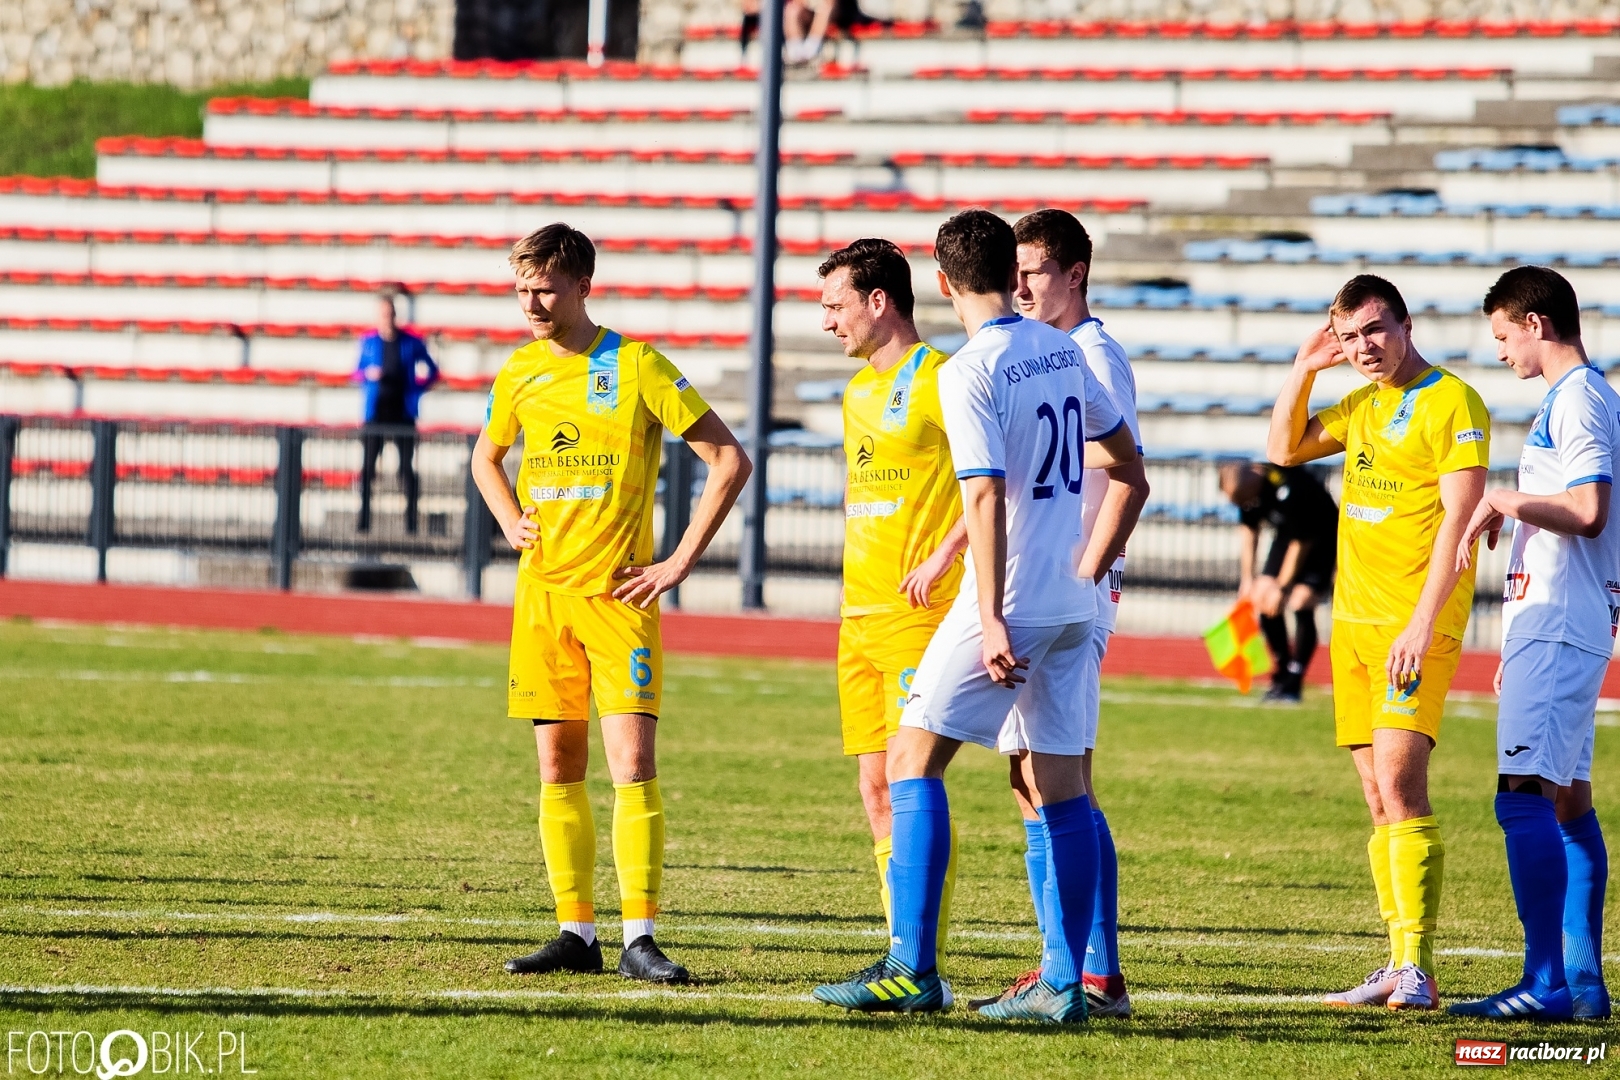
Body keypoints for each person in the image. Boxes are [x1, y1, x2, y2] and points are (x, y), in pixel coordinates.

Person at [812, 208, 1142, 1021]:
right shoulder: (1063, 349)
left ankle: (910, 970)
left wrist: (990, 618)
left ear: (942, 278)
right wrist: (1092, 570)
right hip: (1072, 600)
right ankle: (1066, 982)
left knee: (910, 763)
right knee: (1062, 792)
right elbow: (1130, 469)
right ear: (1007, 269)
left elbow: (986, 495)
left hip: (1017, 600)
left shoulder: (967, 369)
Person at [469, 224, 752, 984]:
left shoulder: (636, 365)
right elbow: (484, 455)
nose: (531, 301)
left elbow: (729, 458)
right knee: (557, 766)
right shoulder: (520, 372)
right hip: (543, 602)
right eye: (521, 286)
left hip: (619, 599)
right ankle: (576, 932)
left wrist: (680, 560)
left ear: (583, 284)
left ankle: (639, 935)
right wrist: (508, 518)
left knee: (631, 763)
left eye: (545, 287)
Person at [1267, 274, 1490, 1012]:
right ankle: (1397, 962)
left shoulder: (1451, 400)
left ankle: (1418, 969)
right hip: (1356, 627)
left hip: (1411, 626)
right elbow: (1284, 447)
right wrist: (1303, 370)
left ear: (1405, 324)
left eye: (1375, 330)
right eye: (1351, 334)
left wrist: (1422, 624)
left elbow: (1460, 519)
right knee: (1375, 796)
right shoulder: (1361, 401)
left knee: (1400, 787)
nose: (1365, 346)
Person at [968, 208, 1150, 1019]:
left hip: (1062, 593)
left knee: (1056, 778)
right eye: (1016, 270)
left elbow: (1120, 468)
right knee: (1040, 776)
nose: (1020, 284)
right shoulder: (1050, 352)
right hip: (1054, 586)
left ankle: (1079, 968)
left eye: (1034, 270)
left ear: (1074, 273)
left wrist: (1087, 569)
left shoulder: (1087, 351)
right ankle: (1078, 966)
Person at [1448, 267, 1616, 1021]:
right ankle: (1581, 985)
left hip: (1558, 623)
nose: (1502, 351)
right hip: (1552, 625)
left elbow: (1588, 510)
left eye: (1504, 335)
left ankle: (1545, 982)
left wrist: (1502, 497)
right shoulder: (1577, 398)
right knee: (1569, 802)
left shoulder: (1579, 399)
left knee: (1521, 802)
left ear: (1536, 323)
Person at [818, 239, 967, 986]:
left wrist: (943, 556)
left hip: (921, 614)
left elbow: (992, 481)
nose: (826, 323)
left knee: (913, 785)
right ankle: (901, 954)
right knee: (876, 789)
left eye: (835, 306)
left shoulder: (942, 379)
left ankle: (920, 962)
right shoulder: (854, 395)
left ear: (880, 301)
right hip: (859, 617)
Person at [1219, 460, 1338, 702]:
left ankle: (1295, 679)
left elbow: (1302, 542)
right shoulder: (1247, 492)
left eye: (1242, 500)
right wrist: (1247, 580)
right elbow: (1249, 531)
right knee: (1263, 596)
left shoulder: (1289, 487)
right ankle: (1282, 671)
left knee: (1300, 601)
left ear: (1253, 481)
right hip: (1288, 537)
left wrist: (1283, 587)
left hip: (1321, 538)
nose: (1244, 506)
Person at [355, 290, 438, 534]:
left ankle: (411, 524)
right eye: (383, 314)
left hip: (403, 414)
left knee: (406, 470)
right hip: (376, 415)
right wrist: (368, 374)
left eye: (390, 314)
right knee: (368, 470)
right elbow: (356, 373)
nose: (387, 319)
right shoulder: (369, 342)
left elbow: (433, 370)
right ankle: (364, 522)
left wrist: (418, 388)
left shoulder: (411, 342)